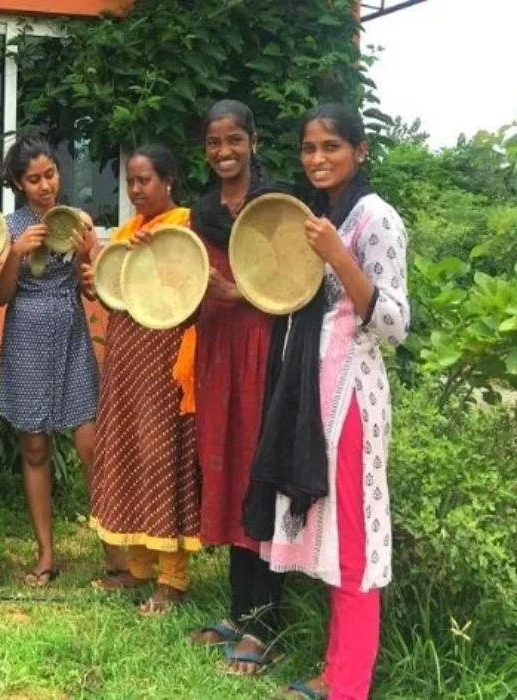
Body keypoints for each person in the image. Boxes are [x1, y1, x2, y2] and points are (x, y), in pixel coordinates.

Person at [244, 104, 408, 700]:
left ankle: (348, 684)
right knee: (334, 537)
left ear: (360, 151)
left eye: (332, 147)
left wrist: (340, 255)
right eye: (309, 147)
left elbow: (393, 323)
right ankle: (336, 666)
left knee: (356, 540)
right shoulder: (313, 215)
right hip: (308, 394)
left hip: (352, 398)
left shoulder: (375, 219)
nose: (318, 158)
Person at [187, 99, 288, 672]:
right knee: (224, 468)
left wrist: (239, 294)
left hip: (262, 346)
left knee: (258, 473)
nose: (224, 152)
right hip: (217, 349)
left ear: (252, 141)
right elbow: (191, 278)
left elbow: (292, 283)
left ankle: (267, 625)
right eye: (213, 143)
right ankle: (238, 612)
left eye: (234, 140)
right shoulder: (202, 212)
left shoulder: (274, 206)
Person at [82, 147, 201, 615]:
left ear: (168, 181)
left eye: (145, 180)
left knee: (159, 454)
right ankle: (137, 568)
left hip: (165, 358)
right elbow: (115, 299)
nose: (135, 190)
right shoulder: (128, 233)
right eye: (130, 182)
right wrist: (98, 271)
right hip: (127, 357)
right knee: (127, 449)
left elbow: (185, 291)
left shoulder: (185, 229)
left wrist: (154, 256)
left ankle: (173, 577)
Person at [0, 135, 103, 587]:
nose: (44, 185)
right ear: (19, 183)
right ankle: (46, 552)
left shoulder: (77, 222)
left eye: (50, 174)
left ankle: (114, 549)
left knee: (91, 442)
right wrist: (16, 253)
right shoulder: (10, 226)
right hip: (26, 338)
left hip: (71, 333)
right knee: (33, 447)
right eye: (33, 179)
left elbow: (90, 289)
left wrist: (88, 252)